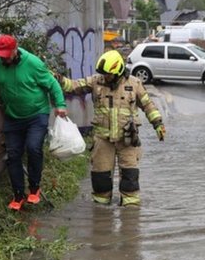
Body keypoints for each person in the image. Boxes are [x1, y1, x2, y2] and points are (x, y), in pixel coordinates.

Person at [57, 50, 165, 206]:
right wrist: (58, 79)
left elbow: (148, 105)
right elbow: (73, 86)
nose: (105, 77)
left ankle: (130, 217)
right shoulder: (96, 81)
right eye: (103, 74)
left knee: (130, 178)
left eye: (108, 74)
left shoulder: (134, 84)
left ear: (118, 71)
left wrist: (158, 124)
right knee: (100, 179)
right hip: (102, 140)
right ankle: (101, 215)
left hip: (127, 140)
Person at [0, 34, 67, 211]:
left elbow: (52, 84)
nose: (4, 59)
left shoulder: (33, 63)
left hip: (37, 113)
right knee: (13, 155)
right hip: (12, 116)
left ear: (15, 50)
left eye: (7, 55)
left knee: (33, 147)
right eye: (1, 55)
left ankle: (34, 188)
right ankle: (18, 195)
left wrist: (60, 105)